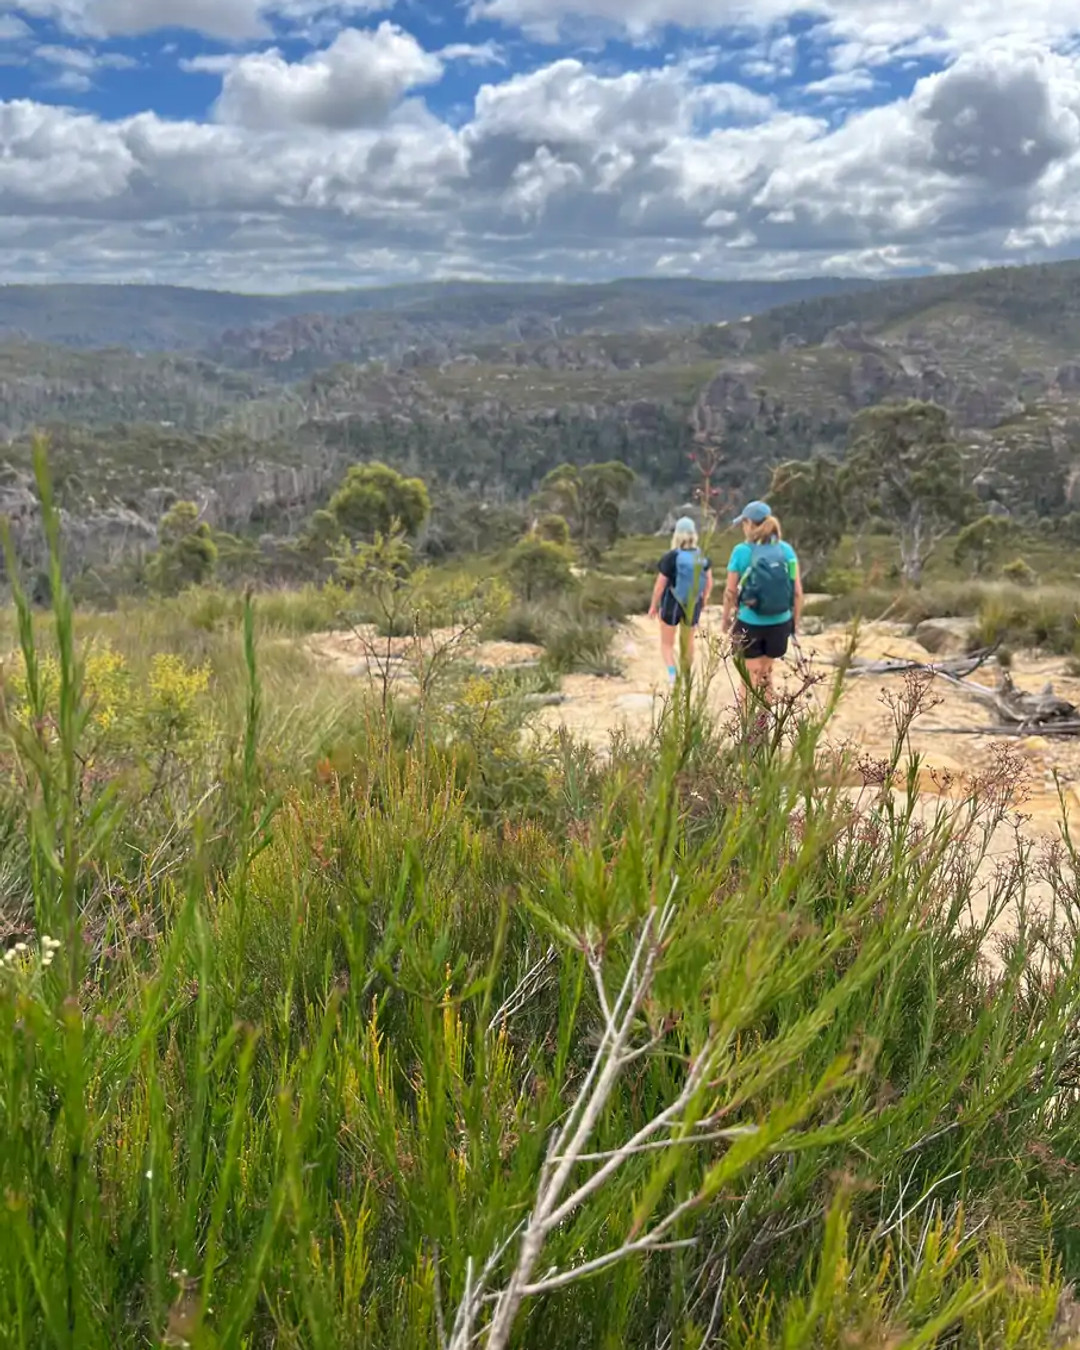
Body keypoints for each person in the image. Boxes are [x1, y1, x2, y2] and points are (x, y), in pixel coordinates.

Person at [721, 500, 802, 707]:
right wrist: (794, 623)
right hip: (780, 622)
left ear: (748, 524)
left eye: (743, 523)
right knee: (766, 676)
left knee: (748, 681)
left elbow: (730, 592)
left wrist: (726, 619)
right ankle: (764, 732)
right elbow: (798, 593)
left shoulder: (741, 551)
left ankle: (749, 735)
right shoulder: (786, 551)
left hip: (749, 623)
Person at [649, 516, 713, 686]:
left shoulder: (671, 557)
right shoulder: (702, 556)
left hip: (672, 603)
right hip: (693, 604)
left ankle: (672, 675)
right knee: (688, 642)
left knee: (667, 644)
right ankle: (686, 676)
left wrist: (653, 606)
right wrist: (703, 600)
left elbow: (660, 586)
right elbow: (709, 582)